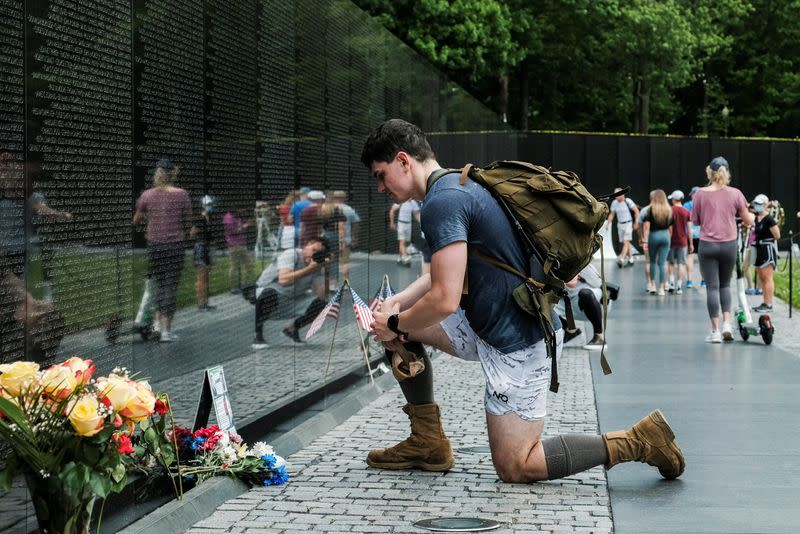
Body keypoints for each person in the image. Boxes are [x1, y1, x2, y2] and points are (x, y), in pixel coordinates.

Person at [361, 119, 684, 483]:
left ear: (403, 161)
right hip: (484, 324)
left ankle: (640, 441)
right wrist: (397, 305)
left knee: (516, 466)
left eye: (380, 174)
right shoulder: (459, 183)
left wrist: (390, 323)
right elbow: (447, 269)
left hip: (518, 342)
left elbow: (444, 299)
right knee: (404, 324)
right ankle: (427, 443)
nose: (380, 187)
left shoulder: (442, 202)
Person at [691, 156, 754, 343]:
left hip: (707, 244)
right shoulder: (736, 194)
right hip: (729, 244)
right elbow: (748, 220)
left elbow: (695, 221)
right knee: (726, 285)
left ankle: (715, 331)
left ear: (709, 172)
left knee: (712, 287)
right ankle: (727, 324)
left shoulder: (700, 194)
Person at [133, 159, 192, 342]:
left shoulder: (147, 195)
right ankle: (166, 331)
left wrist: (152, 221)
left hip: (155, 245)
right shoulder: (182, 195)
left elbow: (136, 220)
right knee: (170, 286)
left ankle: (157, 327)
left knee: (159, 284)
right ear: (172, 174)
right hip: (175, 245)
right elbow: (188, 222)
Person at [249, 237, 330, 349]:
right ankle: (257, 335)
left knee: (323, 305)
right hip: (269, 294)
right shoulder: (292, 254)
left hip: (292, 299)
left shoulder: (316, 266)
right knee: (269, 293)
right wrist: (309, 269)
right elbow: (283, 281)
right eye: (314, 250)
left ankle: (291, 330)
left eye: (319, 253)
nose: (314, 255)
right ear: (307, 245)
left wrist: (326, 270)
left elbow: (323, 296)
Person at [557, 263, 610, 350]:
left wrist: (576, 275)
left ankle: (599, 337)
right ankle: (571, 330)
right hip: (572, 301)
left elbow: (598, 283)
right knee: (541, 304)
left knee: (585, 293)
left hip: (596, 299)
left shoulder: (582, 262)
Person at [750, 194, 780, 312]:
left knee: (767, 277)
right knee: (761, 277)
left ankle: (769, 304)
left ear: (766, 204)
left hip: (767, 248)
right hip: (758, 248)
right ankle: (764, 302)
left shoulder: (769, 219)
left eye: (760, 204)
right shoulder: (757, 218)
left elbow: (777, 235)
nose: (757, 206)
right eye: (756, 204)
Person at [642, 190, 673, 296]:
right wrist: (669, 238)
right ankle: (661, 288)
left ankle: (653, 285)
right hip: (665, 235)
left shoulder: (650, 209)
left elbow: (646, 227)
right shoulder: (669, 209)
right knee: (662, 263)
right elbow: (671, 227)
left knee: (652, 262)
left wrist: (645, 240)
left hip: (654, 235)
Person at [223, 208, 255, 294]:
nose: (242, 211)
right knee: (234, 267)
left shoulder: (237, 217)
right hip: (234, 246)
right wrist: (245, 226)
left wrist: (245, 225)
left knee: (248, 265)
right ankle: (233, 288)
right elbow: (233, 231)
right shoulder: (228, 218)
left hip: (241, 244)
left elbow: (239, 228)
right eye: (240, 209)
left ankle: (245, 285)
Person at [606, 188, 639, 267]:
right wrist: (608, 223)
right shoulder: (614, 203)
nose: (616, 197)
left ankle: (622, 258)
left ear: (622, 194)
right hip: (620, 225)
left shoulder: (628, 201)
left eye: (617, 195)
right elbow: (612, 214)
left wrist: (636, 222)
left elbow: (636, 211)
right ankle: (631, 257)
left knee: (625, 241)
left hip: (628, 223)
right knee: (626, 242)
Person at [666, 190, 692, 294]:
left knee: (671, 263)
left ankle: (671, 282)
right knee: (682, 263)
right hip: (683, 241)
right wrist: (691, 244)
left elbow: (668, 227)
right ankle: (679, 286)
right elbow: (689, 230)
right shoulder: (686, 212)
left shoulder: (669, 210)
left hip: (671, 241)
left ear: (674, 199)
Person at [332, 191, 360, 282]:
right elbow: (356, 224)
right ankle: (345, 281)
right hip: (346, 240)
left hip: (330, 239)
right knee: (345, 261)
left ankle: (333, 282)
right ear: (344, 198)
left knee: (332, 261)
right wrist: (355, 238)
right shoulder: (349, 209)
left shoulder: (328, 209)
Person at [320, 193, 345, 291]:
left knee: (323, 259)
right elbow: (341, 226)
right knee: (334, 260)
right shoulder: (337, 209)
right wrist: (341, 241)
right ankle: (333, 284)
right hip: (334, 235)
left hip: (323, 234)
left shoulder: (321, 209)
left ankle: (324, 282)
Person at [389, 199, 420, 266]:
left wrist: (422, 221)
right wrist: (392, 223)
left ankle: (400, 258)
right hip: (401, 224)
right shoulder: (401, 201)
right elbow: (392, 211)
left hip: (408, 225)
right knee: (402, 242)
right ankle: (405, 258)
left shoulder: (413, 202)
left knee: (405, 243)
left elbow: (416, 214)